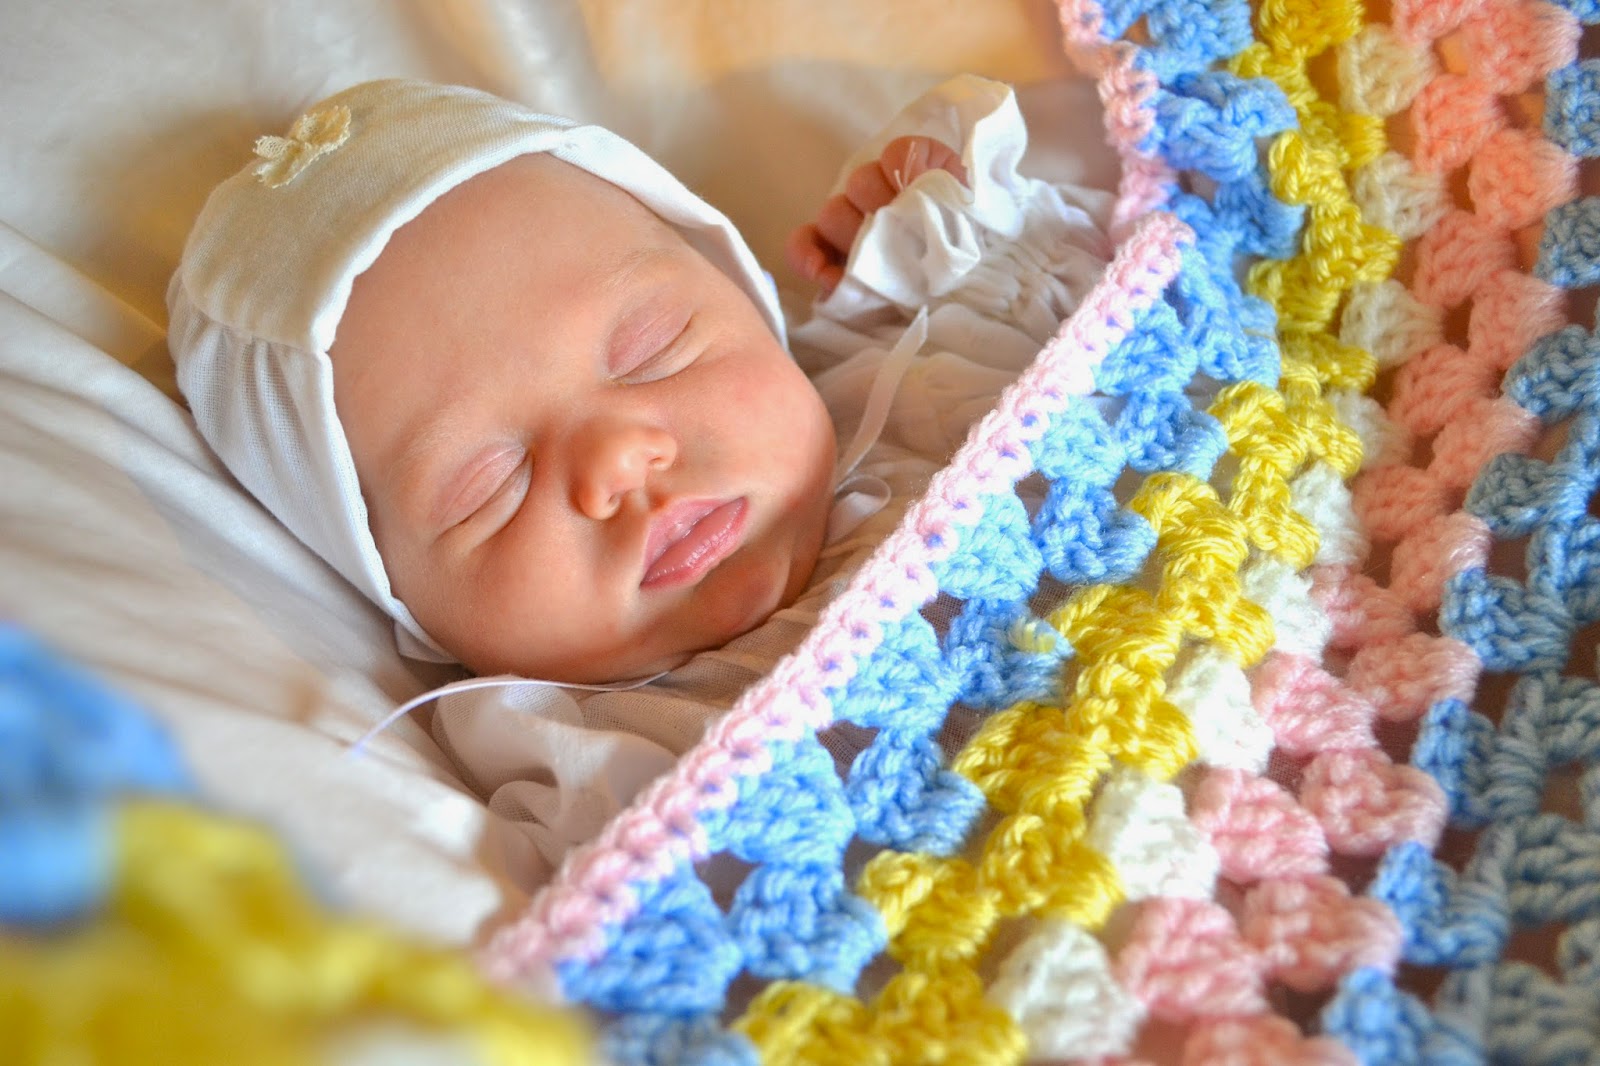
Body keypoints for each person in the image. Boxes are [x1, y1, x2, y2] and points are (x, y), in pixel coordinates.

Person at [168, 74, 1115, 887]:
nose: (618, 460)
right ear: (401, 599)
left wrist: (948, 225)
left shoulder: (917, 397)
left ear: (743, 298)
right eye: (488, 486)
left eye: (652, 349)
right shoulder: (573, 763)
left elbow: (1115, 317)